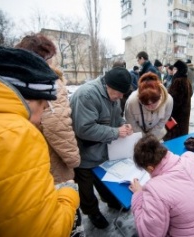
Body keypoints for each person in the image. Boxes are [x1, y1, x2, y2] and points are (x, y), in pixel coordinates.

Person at [0, 47, 79, 236]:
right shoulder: (15, 134)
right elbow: (43, 231)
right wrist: (69, 194)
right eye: (43, 107)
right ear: (28, 97)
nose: (40, 118)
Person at [15, 34, 83, 237]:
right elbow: (57, 125)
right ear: (44, 59)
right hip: (53, 164)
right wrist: (74, 160)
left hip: (30, 162)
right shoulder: (49, 82)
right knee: (65, 216)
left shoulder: (16, 82)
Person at [70, 67, 134, 229]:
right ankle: (92, 212)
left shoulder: (114, 94)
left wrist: (122, 125)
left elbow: (116, 117)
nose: (120, 97)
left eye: (122, 94)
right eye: (119, 93)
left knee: (104, 179)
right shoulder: (87, 95)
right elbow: (84, 129)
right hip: (84, 153)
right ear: (108, 84)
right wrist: (115, 132)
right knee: (86, 188)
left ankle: (111, 201)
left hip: (103, 150)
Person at [124, 72, 173, 140]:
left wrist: (150, 138)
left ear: (160, 97)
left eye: (154, 103)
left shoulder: (168, 100)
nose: (151, 107)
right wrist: (144, 138)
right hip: (138, 136)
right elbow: (132, 123)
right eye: (147, 104)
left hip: (158, 135)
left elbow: (163, 121)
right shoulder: (131, 102)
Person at [163, 60, 193, 141]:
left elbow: (173, 102)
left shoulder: (178, 81)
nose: (173, 71)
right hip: (184, 117)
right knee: (181, 139)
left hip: (175, 117)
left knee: (172, 139)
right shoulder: (187, 81)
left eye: (175, 69)